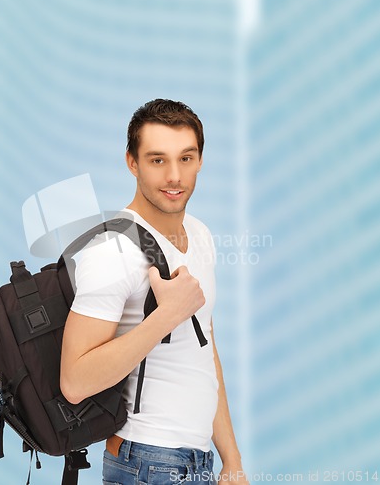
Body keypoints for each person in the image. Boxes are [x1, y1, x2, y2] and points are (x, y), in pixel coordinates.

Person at [60, 99, 248, 484]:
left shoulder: (200, 235)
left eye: (186, 158)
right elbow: (75, 382)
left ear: (200, 161)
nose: (175, 176)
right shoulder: (114, 248)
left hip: (199, 462)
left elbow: (202, 349)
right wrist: (165, 315)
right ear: (132, 162)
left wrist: (232, 460)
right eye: (157, 160)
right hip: (144, 460)